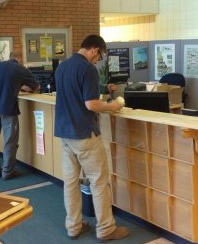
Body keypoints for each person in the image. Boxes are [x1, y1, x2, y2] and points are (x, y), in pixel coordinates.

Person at [54, 35, 130, 241]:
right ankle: (106, 228)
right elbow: (91, 105)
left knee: (70, 183)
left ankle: (73, 226)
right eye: (100, 56)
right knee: (99, 182)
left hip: (65, 133)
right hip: (84, 133)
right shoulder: (88, 68)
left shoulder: (62, 66)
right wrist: (114, 106)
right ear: (95, 50)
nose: (98, 60)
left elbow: (74, 96)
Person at [0, 51, 39, 180]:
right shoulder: (21, 69)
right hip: (9, 110)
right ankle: (7, 172)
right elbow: (35, 87)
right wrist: (23, 88)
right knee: (10, 143)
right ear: (19, 58)